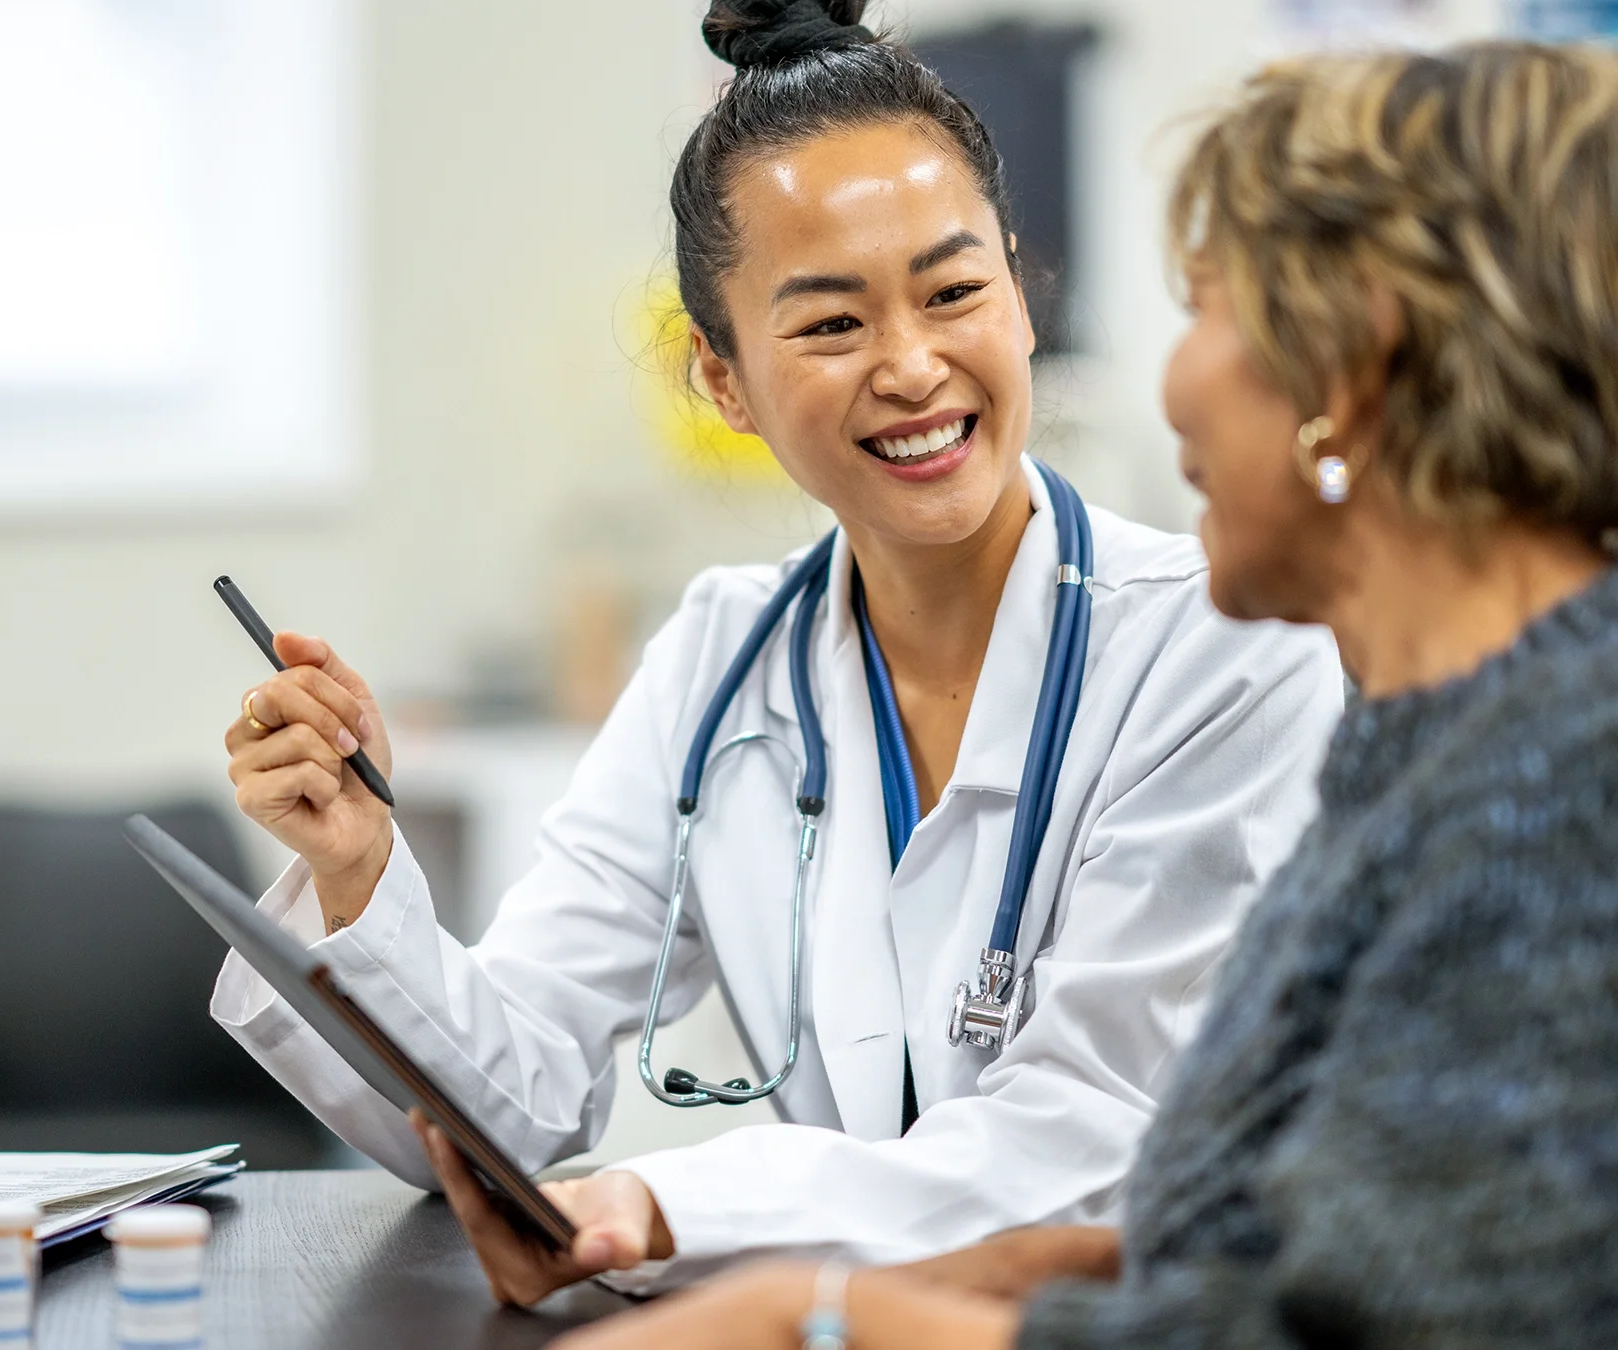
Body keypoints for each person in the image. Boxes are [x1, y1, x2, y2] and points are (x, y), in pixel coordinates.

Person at [544, 40, 1618, 1349]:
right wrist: (968, 1282)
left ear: (1352, 376)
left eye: (1210, 309)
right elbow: (1310, 1249)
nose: (1169, 388)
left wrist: (823, 1317)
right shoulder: (1452, 741)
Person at [214, 0, 1342, 1301]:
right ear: (726, 382)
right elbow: (508, 1105)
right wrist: (358, 870)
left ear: (1022, 297)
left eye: (955, 290)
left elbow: (1093, 1144)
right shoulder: (719, 663)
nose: (913, 365)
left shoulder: (1225, 646)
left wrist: (659, 1200)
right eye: (829, 325)